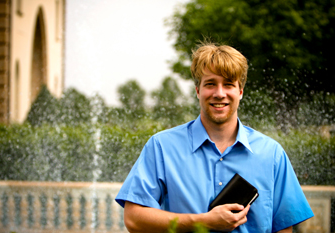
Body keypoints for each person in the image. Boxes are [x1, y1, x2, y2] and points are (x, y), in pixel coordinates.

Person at [115, 42, 314, 233]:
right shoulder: (161, 147)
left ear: (240, 91)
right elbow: (133, 219)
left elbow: (282, 228)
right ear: (198, 90)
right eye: (210, 84)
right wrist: (204, 221)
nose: (219, 94)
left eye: (228, 84)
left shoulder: (272, 154)